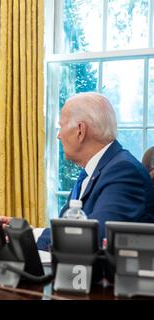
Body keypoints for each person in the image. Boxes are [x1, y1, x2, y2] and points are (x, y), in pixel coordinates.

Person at [34, 92, 154, 250]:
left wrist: (30, 234)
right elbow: (66, 229)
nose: (59, 135)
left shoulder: (124, 171)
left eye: (61, 126)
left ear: (80, 130)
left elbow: (93, 236)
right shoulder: (93, 171)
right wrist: (20, 231)